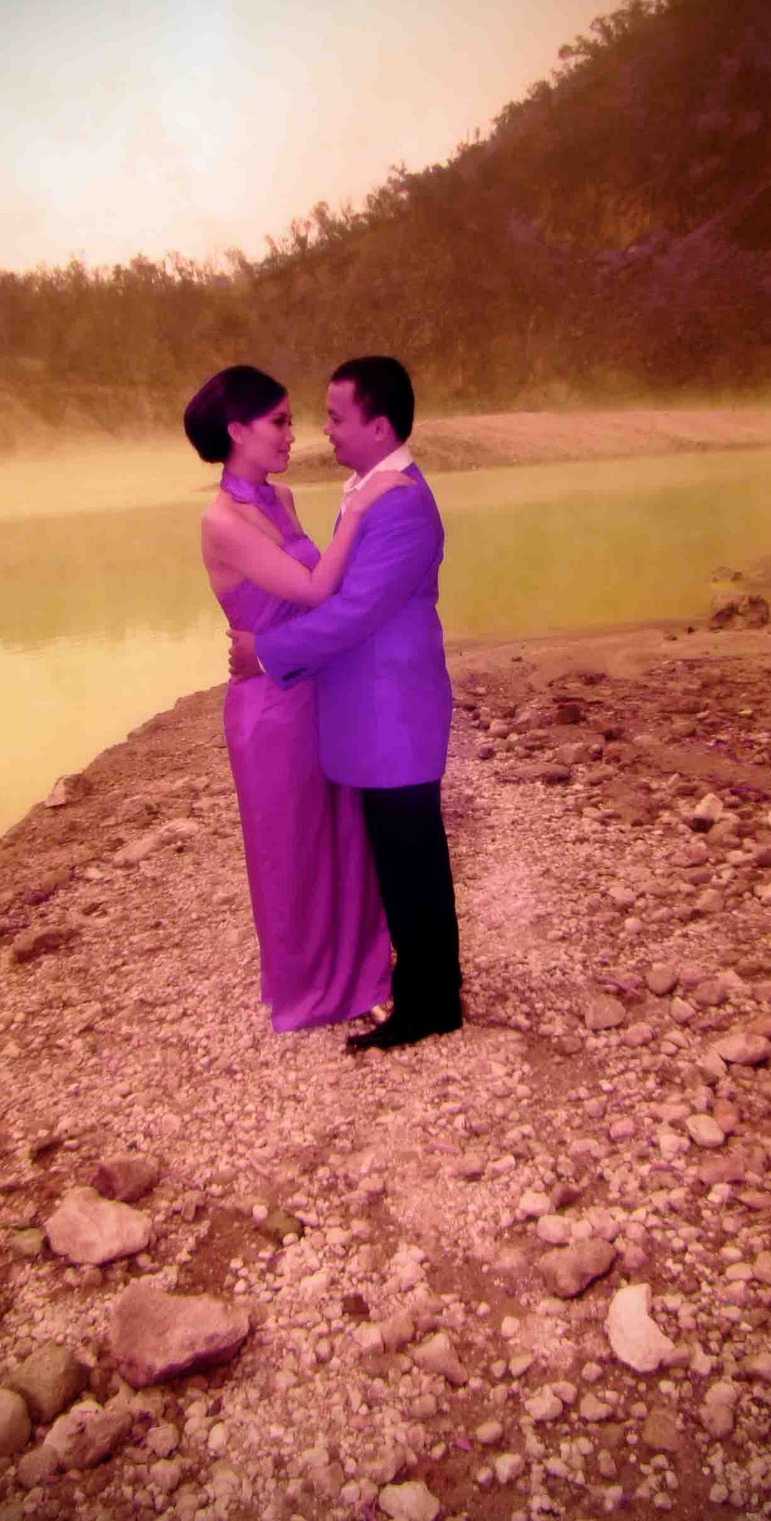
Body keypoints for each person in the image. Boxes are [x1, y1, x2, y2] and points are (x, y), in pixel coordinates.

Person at [229, 356, 463, 1051]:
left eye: (336, 417)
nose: (323, 430)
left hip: (395, 710)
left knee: (412, 858)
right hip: (376, 711)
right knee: (399, 856)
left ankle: (430, 1004)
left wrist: (266, 653)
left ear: (378, 426)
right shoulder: (369, 490)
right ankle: (426, 991)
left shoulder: (400, 503)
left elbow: (353, 611)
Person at [185, 364, 409, 1032]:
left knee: (344, 836)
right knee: (292, 851)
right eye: (278, 421)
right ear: (237, 431)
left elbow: (320, 593)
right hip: (271, 708)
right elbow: (312, 589)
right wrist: (359, 506)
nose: (292, 433)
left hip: (316, 685)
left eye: (291, 420)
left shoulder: (279, 498)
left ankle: (363, 973)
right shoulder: (222, 520)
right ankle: (311, 988)